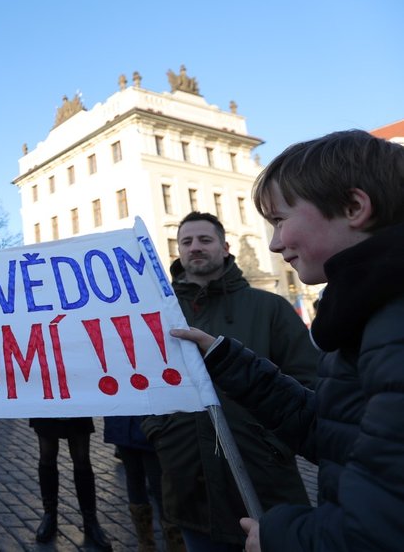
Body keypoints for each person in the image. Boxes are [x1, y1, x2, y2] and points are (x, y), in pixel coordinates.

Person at [172, 130, 404, 551]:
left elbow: (382, 529)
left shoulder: (392, 321)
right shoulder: (365, 312)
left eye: (280, 220)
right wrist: (223, 357)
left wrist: (279, 535)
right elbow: (329, 427)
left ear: (354, 208)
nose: (276, 243)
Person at [141, 211, 318, 552]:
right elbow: (142, 382)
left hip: (264, 481)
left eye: (204, 240)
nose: (195, 248)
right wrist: (158, 431)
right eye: (186, 242)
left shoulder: (271, 307)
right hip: (190, 486)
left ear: (224, 247)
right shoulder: (160, 315)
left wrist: (275, 442)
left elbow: (308, 380)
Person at [103, 416, 184, 552]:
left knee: (160, 486)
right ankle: (146, 543)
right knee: (135, 480)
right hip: (123, 424)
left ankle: (173, 544)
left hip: (150, 426)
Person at [29, 417, 112, 549]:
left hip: (76, 407)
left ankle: (90, 520)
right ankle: (50, 515)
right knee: (47, 455)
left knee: (82, 458)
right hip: (47, 408)